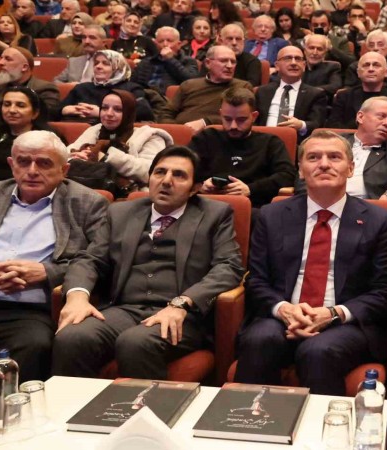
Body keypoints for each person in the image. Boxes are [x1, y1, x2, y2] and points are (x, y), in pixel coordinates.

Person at [52, 146, 244, 379]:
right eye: (160, 172)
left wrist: (182, 304)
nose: (166, 181)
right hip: (124, 310)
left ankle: (147, 404)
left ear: (195, 188)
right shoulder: (121, 212)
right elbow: (90, 259)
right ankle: (76, 403)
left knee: (135, 342)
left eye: (179, 175)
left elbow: (229, 266)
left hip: (183, 315)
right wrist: (77, 297)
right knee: (72, 337)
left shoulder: (215, 215)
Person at [233, 129, 387, 395]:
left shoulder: (379, 220)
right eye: (313, 157)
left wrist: (332, 314)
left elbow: (383, 291)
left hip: (345, 323)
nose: (323, 164)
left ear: (350, 168)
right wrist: (284, 310)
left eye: (334, 157)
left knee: (318, 350)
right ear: (300, 170)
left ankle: (327, 422)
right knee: (260, 339)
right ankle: (245, 418)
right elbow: (257, 280)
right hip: (281, 316)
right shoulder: (272, 215)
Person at [0, 130, 108, 381]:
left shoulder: (88, 203)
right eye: (23, 162)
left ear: (64, 170)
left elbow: (98, 261)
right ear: (12, 165)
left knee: (34, 345)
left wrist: (45, 272)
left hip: (25, 311)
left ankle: (5, 408)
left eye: (44, 163)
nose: (32, 171)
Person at [296, 97, 387, 204]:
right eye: (381, 116)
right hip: (322, 203)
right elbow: (307, 171)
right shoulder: (334, 142)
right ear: (360, 117)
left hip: (367, 208)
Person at [190, 87, 295, 208]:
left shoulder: (270, 143)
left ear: (254, 116)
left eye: (241, 120)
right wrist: (200, 184)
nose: (233, 126)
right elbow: (182, 167)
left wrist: (250, 189)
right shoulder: (206, 138)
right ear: (220, 114)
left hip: (253, 206)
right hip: (206, 206)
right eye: (227, 119)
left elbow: (287, 175)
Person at [67, 89, 174, 192]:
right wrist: (75, 155)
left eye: (118, 109)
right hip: (87, 186)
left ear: (129, 113)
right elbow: (65, 153)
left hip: (130, 192)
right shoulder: (95, 130)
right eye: (104, 108)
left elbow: (150, 171)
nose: (109, 113)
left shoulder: (150, 136)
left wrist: (106, 157)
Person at [160, 45, 252, 132]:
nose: (229, 66)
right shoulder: (188, 85)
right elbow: (167, 112)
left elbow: (243, 118)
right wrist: (175, 129)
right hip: (180, 133)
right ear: (208, 63)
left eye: (233, 62)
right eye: (223, 61)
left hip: (215, 135)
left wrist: (205, 122)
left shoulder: (242, 87)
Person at [327, 51, 387, 134]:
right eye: (366, 65)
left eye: (376, 65)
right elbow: (334, 126)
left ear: (386, 72)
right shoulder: (344, 96)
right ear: (358, 72)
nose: (371, 69)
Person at [60, 49, 153, 122]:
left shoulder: (131, 89)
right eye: (96, 63)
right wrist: (64, 110)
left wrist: (101, 113)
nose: (98, 66)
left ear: (118, 68)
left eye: (105, 63)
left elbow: (145, 113)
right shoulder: (81, 88)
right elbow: (55, 112)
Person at [255, 46, 327, 138]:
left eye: (298, 59)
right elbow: (254, 120)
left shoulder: (315, 94)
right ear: (277, 66)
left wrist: (301, 125)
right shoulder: (263, 91)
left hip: (296, 141)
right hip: (263, 140)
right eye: (288, 58)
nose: (293, 63)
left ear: (304, 65)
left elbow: (317, 124)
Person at [0, 46, 60, 121]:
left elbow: (45, 117)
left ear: (24, 67)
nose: (0, 62)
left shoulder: (45, 89)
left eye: (8, 59)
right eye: (1, 58)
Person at [130, 26, 199, 96]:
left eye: (169, 41)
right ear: (156, 44)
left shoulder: (188, 61)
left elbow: (191, 81)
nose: (165, 44)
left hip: (172, 98)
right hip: (146, 97)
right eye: (161, 41)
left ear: (179, 44)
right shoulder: (147, 62)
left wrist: (170, 59)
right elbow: (133, 84)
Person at [301, 34, 342, 99]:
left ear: (325, 52)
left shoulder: (333, 67)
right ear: (305, 51)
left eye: (319, 49)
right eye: (311, 48)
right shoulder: (298, 66)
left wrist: (308, 91)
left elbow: (335, 86)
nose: (315, 53)